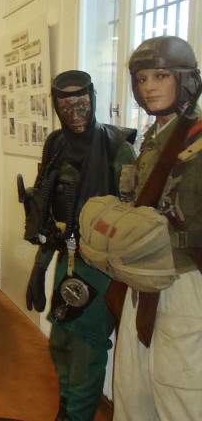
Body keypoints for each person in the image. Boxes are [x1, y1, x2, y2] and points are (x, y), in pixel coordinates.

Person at [23, 70, 136, 421]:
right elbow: (45, 213)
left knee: (85, 347)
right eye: (66, 105)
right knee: (61, 340)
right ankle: (67, 410)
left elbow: (134, 217)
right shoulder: (56, 146)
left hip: (102, 265)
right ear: (56, 107)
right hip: (66, 259)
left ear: (94, 99)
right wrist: (39, 270)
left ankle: (76, 417)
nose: (75, 113)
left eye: (82, 103)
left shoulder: (119, 148)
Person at [111, 36, 202, 421]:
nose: (149, 86)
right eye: (142, 77)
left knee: (180, 394)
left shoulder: (195, 140)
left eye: (161, 75)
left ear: (186, 81)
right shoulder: (153, 139)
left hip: (183, 283)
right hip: (142, 280)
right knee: (132, 392)